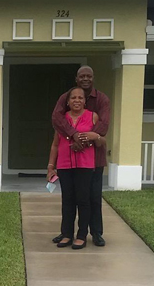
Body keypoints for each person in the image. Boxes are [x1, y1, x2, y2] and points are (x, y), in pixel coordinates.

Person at [51, 65, 110, 247]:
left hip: (93, 158)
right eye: (82, 76)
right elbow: (56, 118)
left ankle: (95, 233)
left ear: (93, 78)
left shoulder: (101, 100)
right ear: (76, 78)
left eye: (89, 76)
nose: (85, 79)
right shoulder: (65, 97)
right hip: (69, 159)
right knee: (69, 198)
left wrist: (84, 140)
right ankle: (66, 232)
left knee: (92, 197)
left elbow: (103, 126)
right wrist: (74, 135)